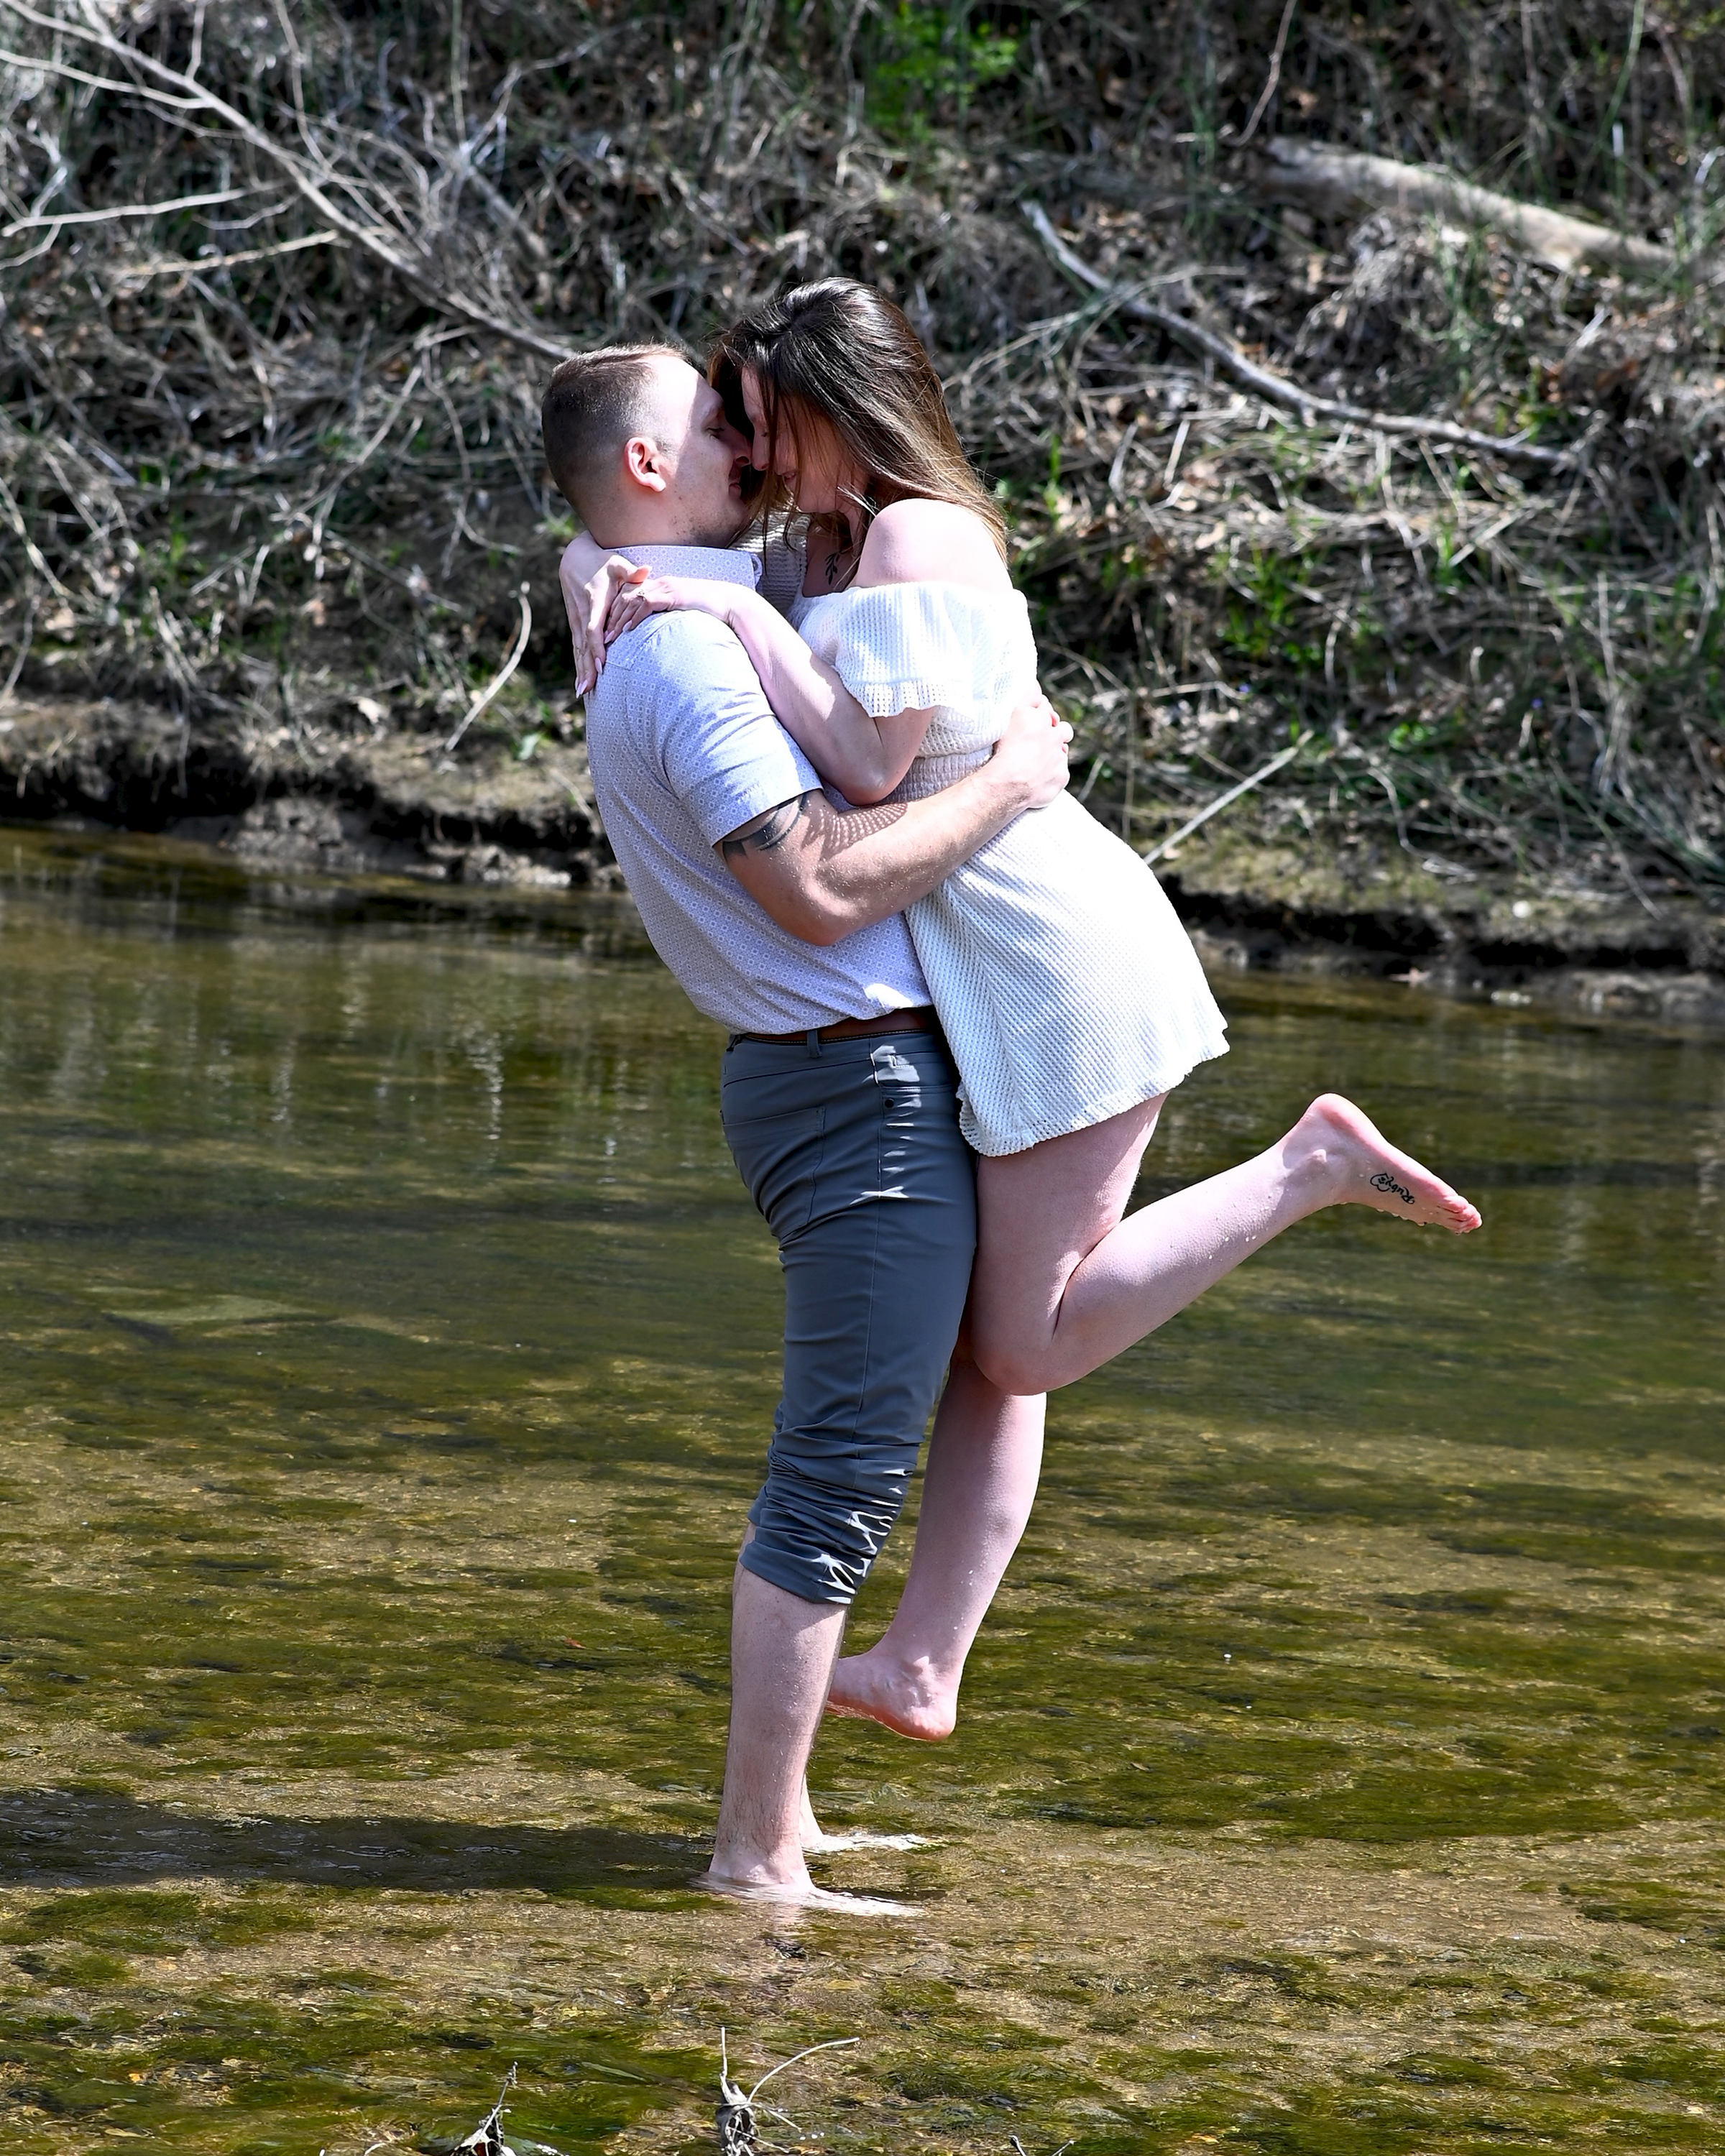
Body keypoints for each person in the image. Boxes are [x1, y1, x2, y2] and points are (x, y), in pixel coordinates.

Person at [566, 280, 1480, 1417]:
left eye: (762, 423)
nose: (752, 456)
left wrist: (742, 620)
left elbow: (869, 771)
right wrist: (588, 563)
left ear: (832, 407)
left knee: (1022, 1349)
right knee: (983, 1350)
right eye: (732, 427)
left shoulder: (910, 534)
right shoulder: (823, 545)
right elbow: (667, 541)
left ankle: (1310, 1166)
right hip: (978, 949)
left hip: (1047, 940)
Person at [540, 341, 1071, 1908]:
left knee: (906, 1424)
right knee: (835, 1481)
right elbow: (824, 889)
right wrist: (1012, 784)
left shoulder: (662, 609)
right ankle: (755, 1855)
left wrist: (585, 558)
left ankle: (788, 1822)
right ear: (650, 467)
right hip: (854, 1093)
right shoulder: (685, 663)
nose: (751, 442)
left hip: (837, 1080)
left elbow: (728, 575)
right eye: (719, 424)